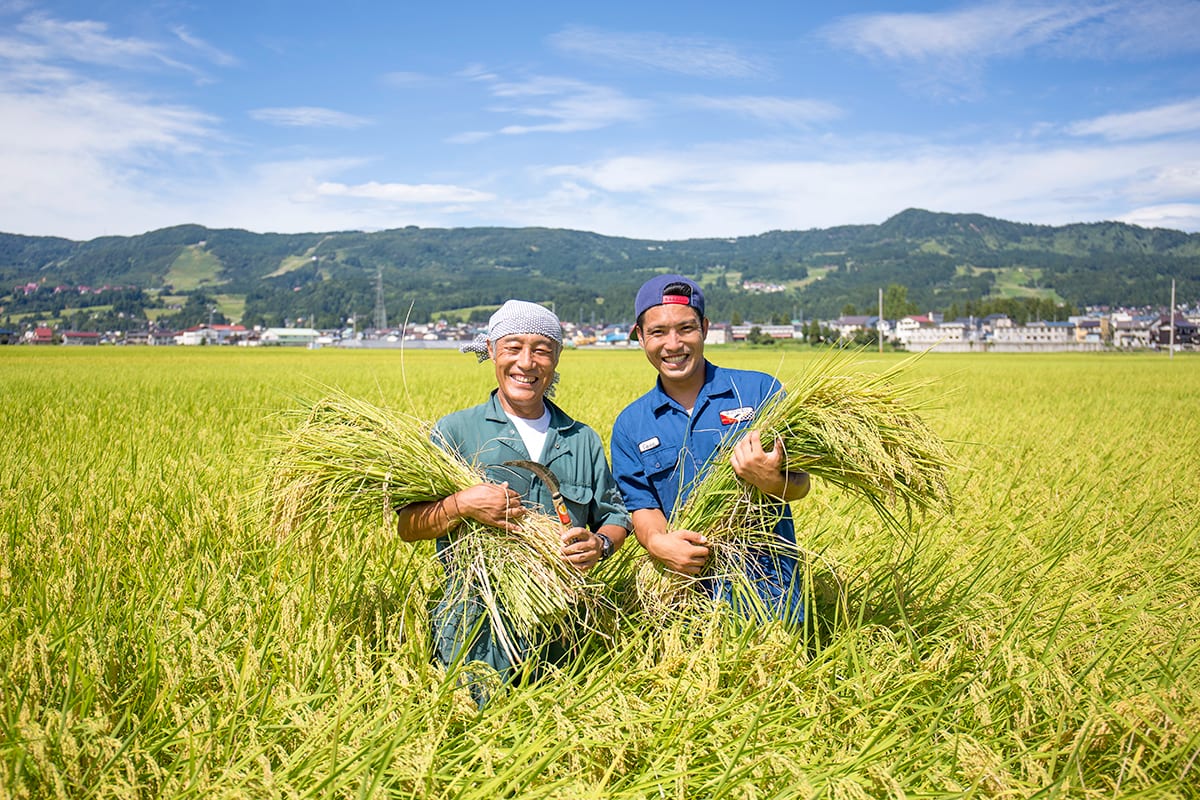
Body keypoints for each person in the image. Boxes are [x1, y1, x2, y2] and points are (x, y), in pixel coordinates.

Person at [395, 300, 630, 690]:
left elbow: (616, 516)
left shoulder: (581, 439)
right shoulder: (455, 432)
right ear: (490, 350)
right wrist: (461, 504)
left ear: (555, 359)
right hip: (474, 635)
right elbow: (408, 526)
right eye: (513, 347)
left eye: (541, 349)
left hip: (564, 635)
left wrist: (600, 545)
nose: (526, 362)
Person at [610, 274, 810, 620]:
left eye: (686, 329)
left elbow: (801, 482)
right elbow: (641, 504)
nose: (673, 344)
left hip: (770, 586)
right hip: (681, 593)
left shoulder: (759, 392)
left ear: (704, 328)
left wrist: (772, 482)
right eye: (658, 332)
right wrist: (658, 544)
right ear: (640, 336)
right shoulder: (632, 424)